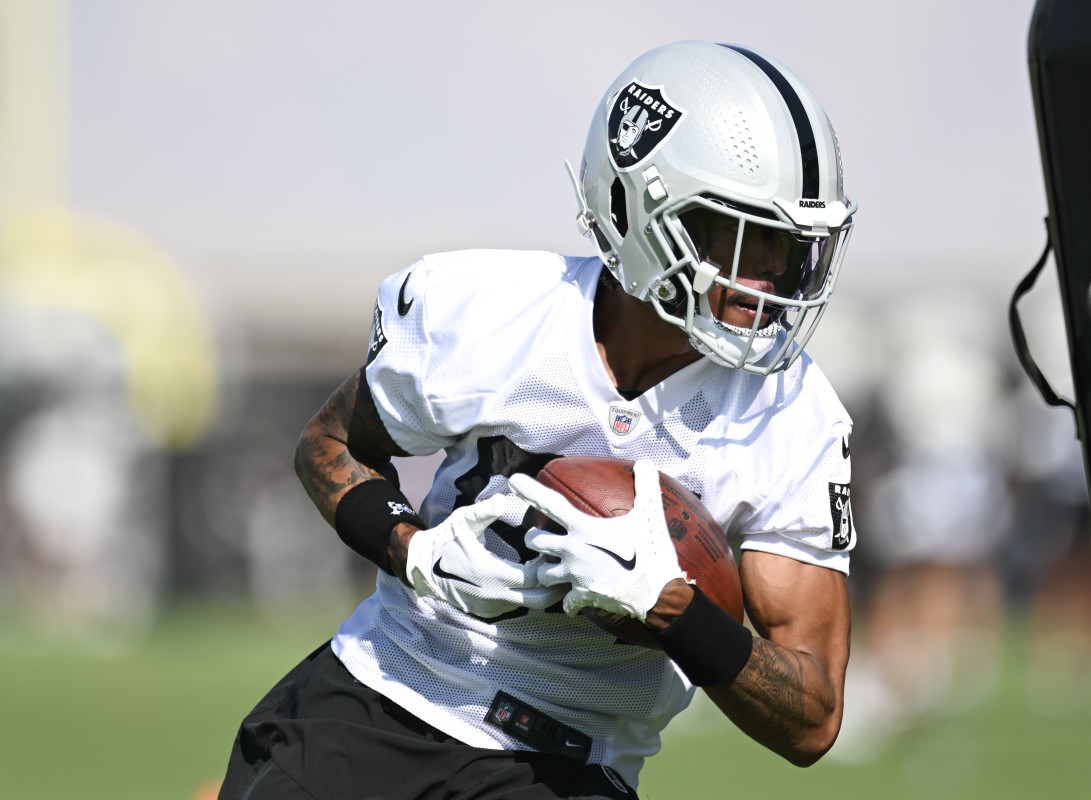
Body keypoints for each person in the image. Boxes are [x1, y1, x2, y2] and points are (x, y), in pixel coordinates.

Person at [218, 40, 858, 800]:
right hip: (375, 698)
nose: (771, 283)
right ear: (641, 211)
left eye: (791, 251)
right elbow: (328, 445)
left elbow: (811, 717)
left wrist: (675, 609)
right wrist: (413, 551)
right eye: (743, 240)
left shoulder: (792, 413)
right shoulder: (494, 315)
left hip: (567, 764)